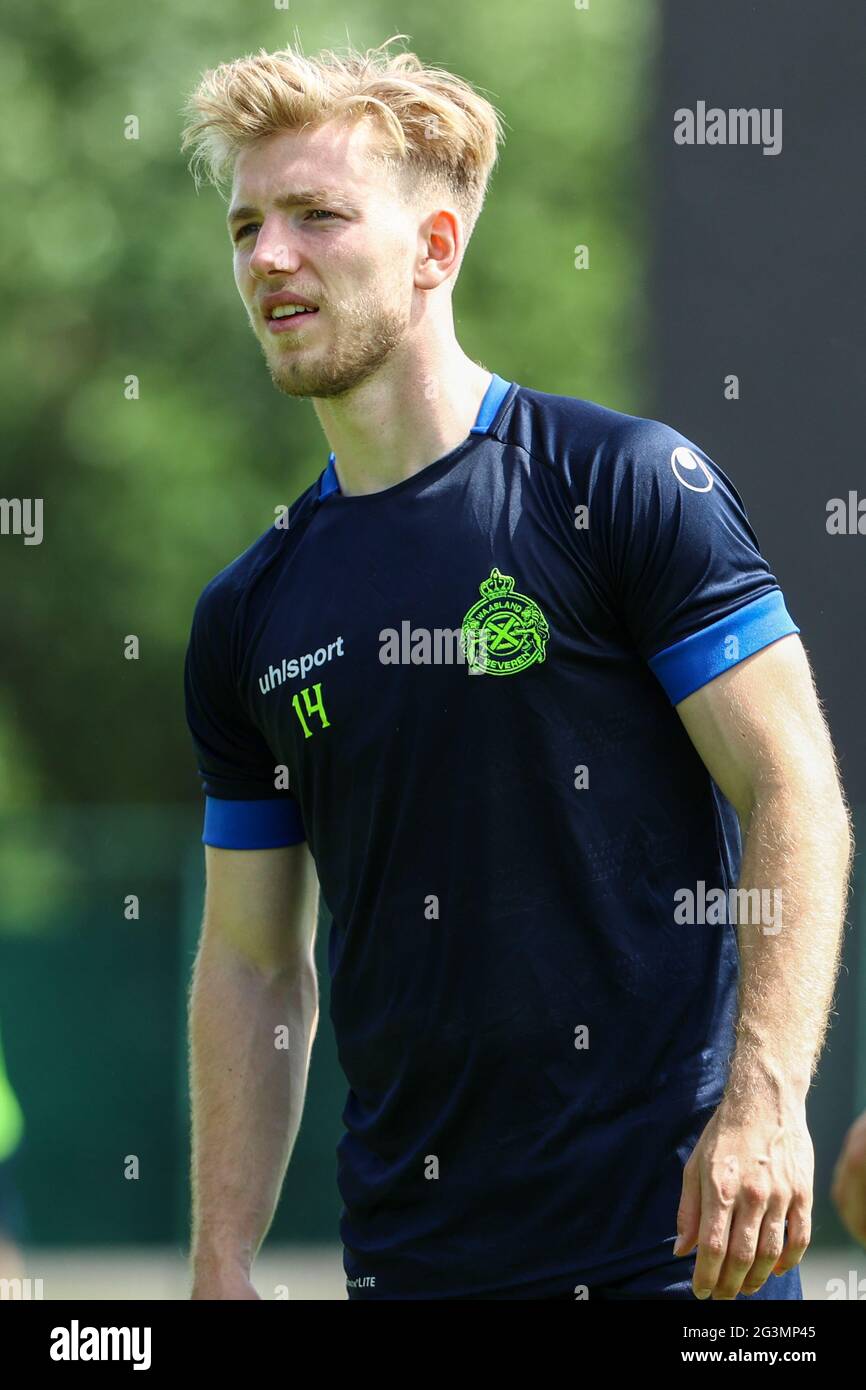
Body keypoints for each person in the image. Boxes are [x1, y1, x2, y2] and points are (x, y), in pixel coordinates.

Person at [180, 37, 852, 1301]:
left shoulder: (626, 486)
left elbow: (793, 792)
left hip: (678, 1255)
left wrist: (766, 1100)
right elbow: (254, 959)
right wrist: (220, 1254)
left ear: (435, 249)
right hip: (409, 1267)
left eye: (318, 215)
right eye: (247, 225)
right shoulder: (247, 614)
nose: (269, 256)